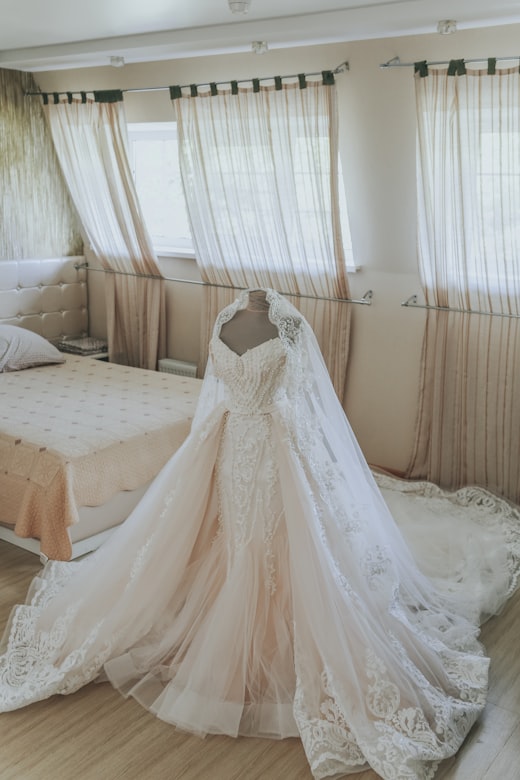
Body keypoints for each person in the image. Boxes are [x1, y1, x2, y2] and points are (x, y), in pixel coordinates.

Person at [0, 287, 519, 780]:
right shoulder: (227, 319)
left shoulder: (285, 324)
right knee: (233, 527)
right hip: (233, 443)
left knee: (280, 534)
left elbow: (308, 393)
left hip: (272, 444)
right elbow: (233, 388)